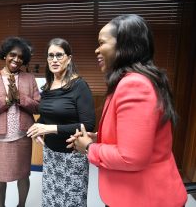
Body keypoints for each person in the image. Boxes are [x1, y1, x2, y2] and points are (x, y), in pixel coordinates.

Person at [66, 14, 187, 207]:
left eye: (101, 43)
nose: (96, 50)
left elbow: (131, 158)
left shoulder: (134, 85)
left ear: (124, 45)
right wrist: (99, 138)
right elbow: (136, 138)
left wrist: (89, 147)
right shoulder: (133, 81)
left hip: (145, 199)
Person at [27, 38, 96, 207]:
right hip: (51, 155)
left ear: (69, 58)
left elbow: (88, 125)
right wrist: (39, 128)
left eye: (59, 55)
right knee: (51, 200)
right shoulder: (48, 86)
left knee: (71, 202)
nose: (54, 60)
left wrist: (49, 128)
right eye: (50, 56)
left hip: (72, 156)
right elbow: (47, 115)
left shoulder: (79, 85)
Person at [0, 36, 40, 207]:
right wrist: (5, 101)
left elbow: (38, 107)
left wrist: (20, 98)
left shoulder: (29, 79)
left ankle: (21, 205)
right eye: (13, 55)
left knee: (24, 175)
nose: (16, 59)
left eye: (21, 57)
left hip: (22, 136)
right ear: (5, 55)